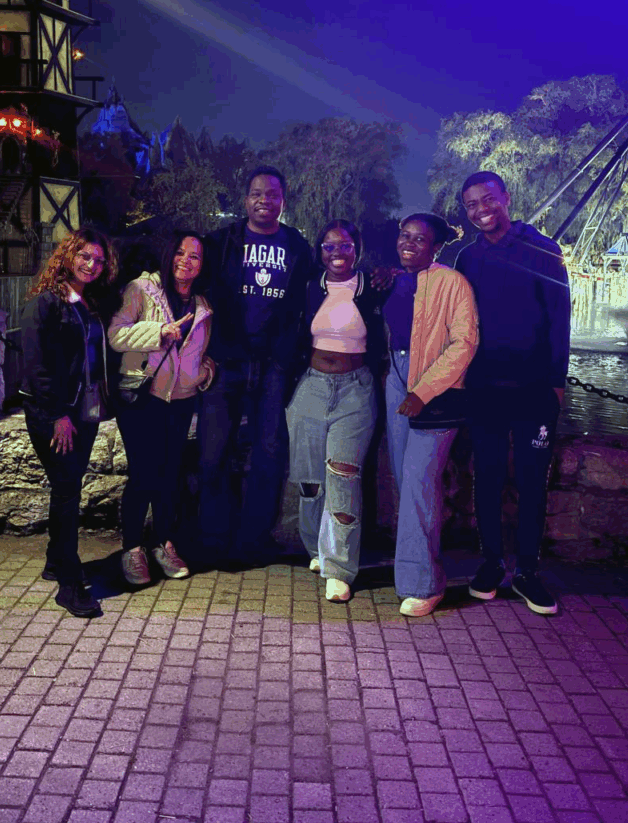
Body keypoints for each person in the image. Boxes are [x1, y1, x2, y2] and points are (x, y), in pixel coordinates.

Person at [456, 170, 570, 615]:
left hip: (534, 389)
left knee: (530, 481)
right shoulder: (466, 258)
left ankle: (527, 573)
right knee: (486, 477)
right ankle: (490, 564)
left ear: (506, 196)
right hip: (484, 388)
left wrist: (557, 382)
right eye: (471, 204)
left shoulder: (543, 249)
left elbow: (560, 319)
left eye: (488, 199)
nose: (481, 209)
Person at [198, 166, 313, 566]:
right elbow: (187, 277)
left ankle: (253, 541)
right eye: (256, 194)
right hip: (225, 361)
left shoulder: (298, 246)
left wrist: (377, 281)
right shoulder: (221, 242)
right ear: (245, 199)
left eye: (273, 194)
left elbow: (327, 287)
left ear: (284, 200)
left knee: (268, 453)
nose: (264, 200)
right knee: (213, 452)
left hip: (273, 366)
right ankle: (213, 540)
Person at [20, 228, 118, 618]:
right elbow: (35, 365)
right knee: (66, 491)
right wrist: (58, 414)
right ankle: (69, 584)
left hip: (84, 410)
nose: (92, 264)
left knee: (68, 487)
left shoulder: (88, 303)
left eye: (98, 259)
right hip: (55, 413)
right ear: (68, 256)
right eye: (85, 256)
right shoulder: (46, 303)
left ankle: (53, 561)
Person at [384, 213, 478, 617]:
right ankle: (413, 568)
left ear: (435, 246)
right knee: (405, 481)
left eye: (419, 240)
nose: (409, 243)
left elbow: (464, 342)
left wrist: (422, 391)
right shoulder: (393, 279)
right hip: (394, 379)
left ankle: (424, 583)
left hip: (435, 386)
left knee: (421, 481)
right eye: (404, 236)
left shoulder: (452, 283)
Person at [108, 231, 214, 586]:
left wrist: (204, 374)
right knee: (143, 473)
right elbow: (116, 334)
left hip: (180, 400)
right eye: (180, 252)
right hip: (143, 396)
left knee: (170, 473)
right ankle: (132, 548)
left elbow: (201, 353)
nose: (186, 261)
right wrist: (159, 332)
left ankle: (163, 544)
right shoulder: (141, 289)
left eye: (195, 256)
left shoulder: (202, 304)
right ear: (169, 255)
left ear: (202, 265)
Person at [286, 220, 384, 602]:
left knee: (343, 473)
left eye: (344, 246)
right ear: (319, 251)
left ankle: (340, 568)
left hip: (355, 391)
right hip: (311, 385)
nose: (337, 254)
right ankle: (317, 550)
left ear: (357, 249)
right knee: (310, 479)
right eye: (329, 247)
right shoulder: (310, 287)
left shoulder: (373, 288)